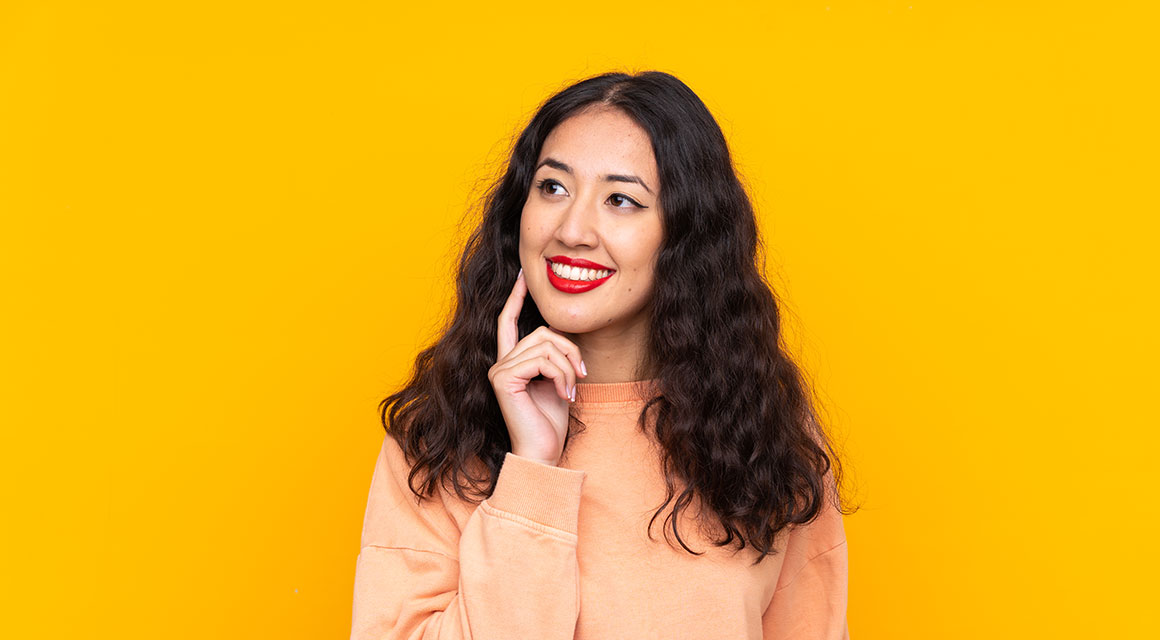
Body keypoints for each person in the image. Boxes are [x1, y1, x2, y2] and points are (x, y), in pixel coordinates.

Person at [350, 70, 855, 639]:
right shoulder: (436, 438)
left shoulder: (765, 434)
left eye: (621, 200)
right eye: (552, 188)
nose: (572, 230)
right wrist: (532, 471)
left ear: (684, 235)